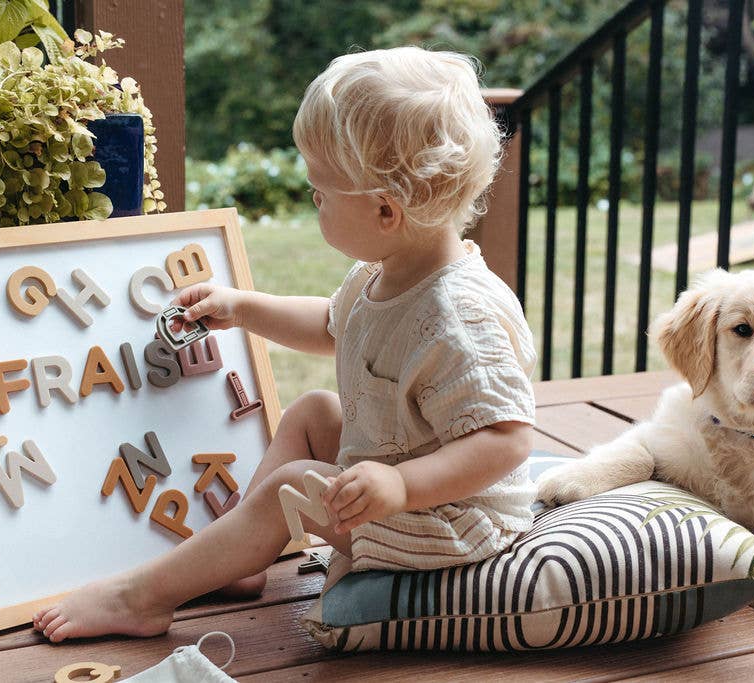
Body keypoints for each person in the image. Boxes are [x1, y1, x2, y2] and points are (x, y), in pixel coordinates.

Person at [33, 46, 537, 643]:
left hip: (452, 522)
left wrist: (403, 486)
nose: (313, 199)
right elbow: (333, 324)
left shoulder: (457, 316)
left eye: (321, 191)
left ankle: (141, 598)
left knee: (293, 484)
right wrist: (243, 308)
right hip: (401, 482)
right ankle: (244, 552)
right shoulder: (389, 270)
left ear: (385, 209)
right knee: (313, 412)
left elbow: (505, 438)